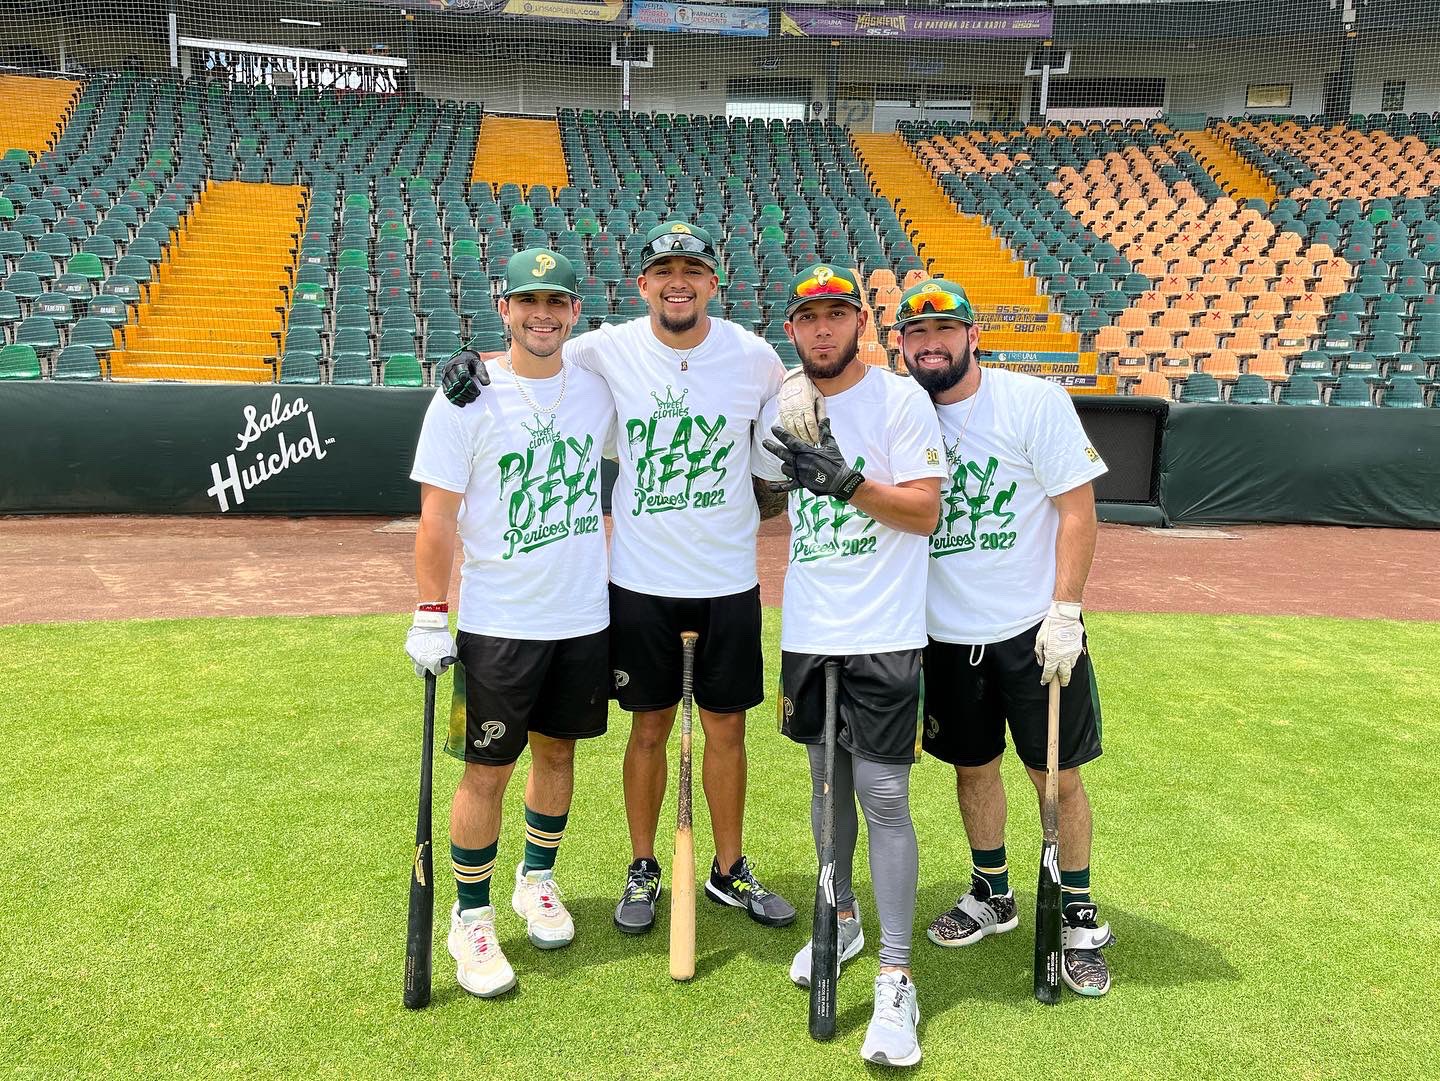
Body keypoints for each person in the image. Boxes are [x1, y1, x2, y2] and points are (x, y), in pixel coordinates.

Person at [438, 221, 796, 934]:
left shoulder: (755, 358)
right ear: (643, 284)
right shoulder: (607, 347)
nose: (678, 281)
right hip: (638, 581)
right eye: (664, 269)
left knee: (728, 731)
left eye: (692, 269)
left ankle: (729, 868)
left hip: (728, 578)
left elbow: (775, 456)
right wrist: (471, 359)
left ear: (711, 284)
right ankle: (643, 865)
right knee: (649, 728)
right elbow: (531, 350)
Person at [895, 278, 1116, 997]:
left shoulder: (1032, 401)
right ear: (901, 344)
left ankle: (1078, 911)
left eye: (944, 330)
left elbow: (1078, 513)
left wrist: (1065, 610)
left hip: (1031, 629)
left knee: (1056, 776)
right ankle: (992, 891)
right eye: (916, 334)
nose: (931, 344)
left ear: (972, 334)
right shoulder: (899, 412)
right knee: (971, 767)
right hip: (944, 635)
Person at [405, 249, 617, 998]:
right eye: (527, 301)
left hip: (584, 616)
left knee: (558, 755)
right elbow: (438, 517)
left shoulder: (595, 388)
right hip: (500, 621)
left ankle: (538, 879)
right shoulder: (464, 398)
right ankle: (471, 915)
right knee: (487, 769)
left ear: (573, 313)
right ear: (504, 309)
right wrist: (433, 615)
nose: (542, 314)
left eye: (555, 301)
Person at [755, 263, 943, 1067]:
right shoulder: (787, 401)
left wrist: (849, 481)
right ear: (792, 330)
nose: (823, 329)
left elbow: (925, 510)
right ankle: (840, 919)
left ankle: (897, 973)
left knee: (883, 791)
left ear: (861, 323)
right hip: (809, 625)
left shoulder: (900, 399)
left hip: (885, 629)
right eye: (809, 318)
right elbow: (767, 495)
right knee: (824, 784)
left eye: (837, 315)